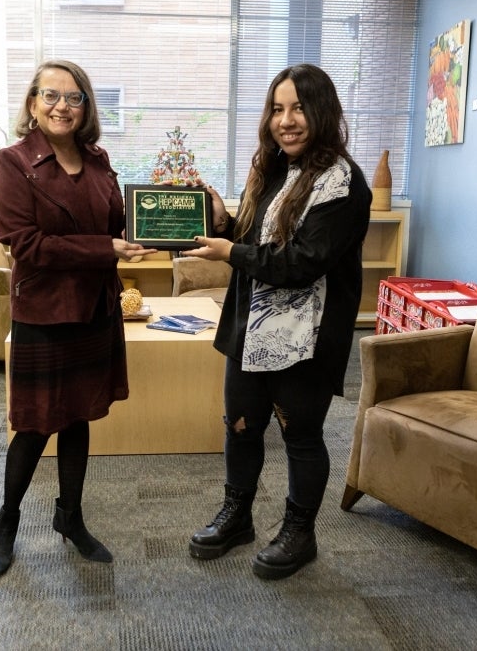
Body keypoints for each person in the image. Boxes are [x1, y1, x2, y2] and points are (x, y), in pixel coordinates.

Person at [182, 63, 371, 580]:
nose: (285, 121)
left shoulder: (342, 182)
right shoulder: (273, 166)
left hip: (305, 337)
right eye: (277, 109)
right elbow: (257, 233)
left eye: (299, 108)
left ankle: (299, 532)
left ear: (323, 111)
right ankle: (237, 515)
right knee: (240, 427)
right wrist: (223, 220)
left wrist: (229, 252)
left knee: (301, 437)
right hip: (251, 329)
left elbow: (300, 263)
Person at [0, 59, 154, 577]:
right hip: (45, 311)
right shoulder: (13, 163)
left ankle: (70, 518)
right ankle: (7, 521)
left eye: (74, 97)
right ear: (33, 103)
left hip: (94, 308)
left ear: (86, 107)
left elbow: (119, 221)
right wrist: (107, 247)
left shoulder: (99, 159)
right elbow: (27, 245)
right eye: (51, 95)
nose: (62, 106)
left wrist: (172, 214)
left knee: (80, 416)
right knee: (36, 424)